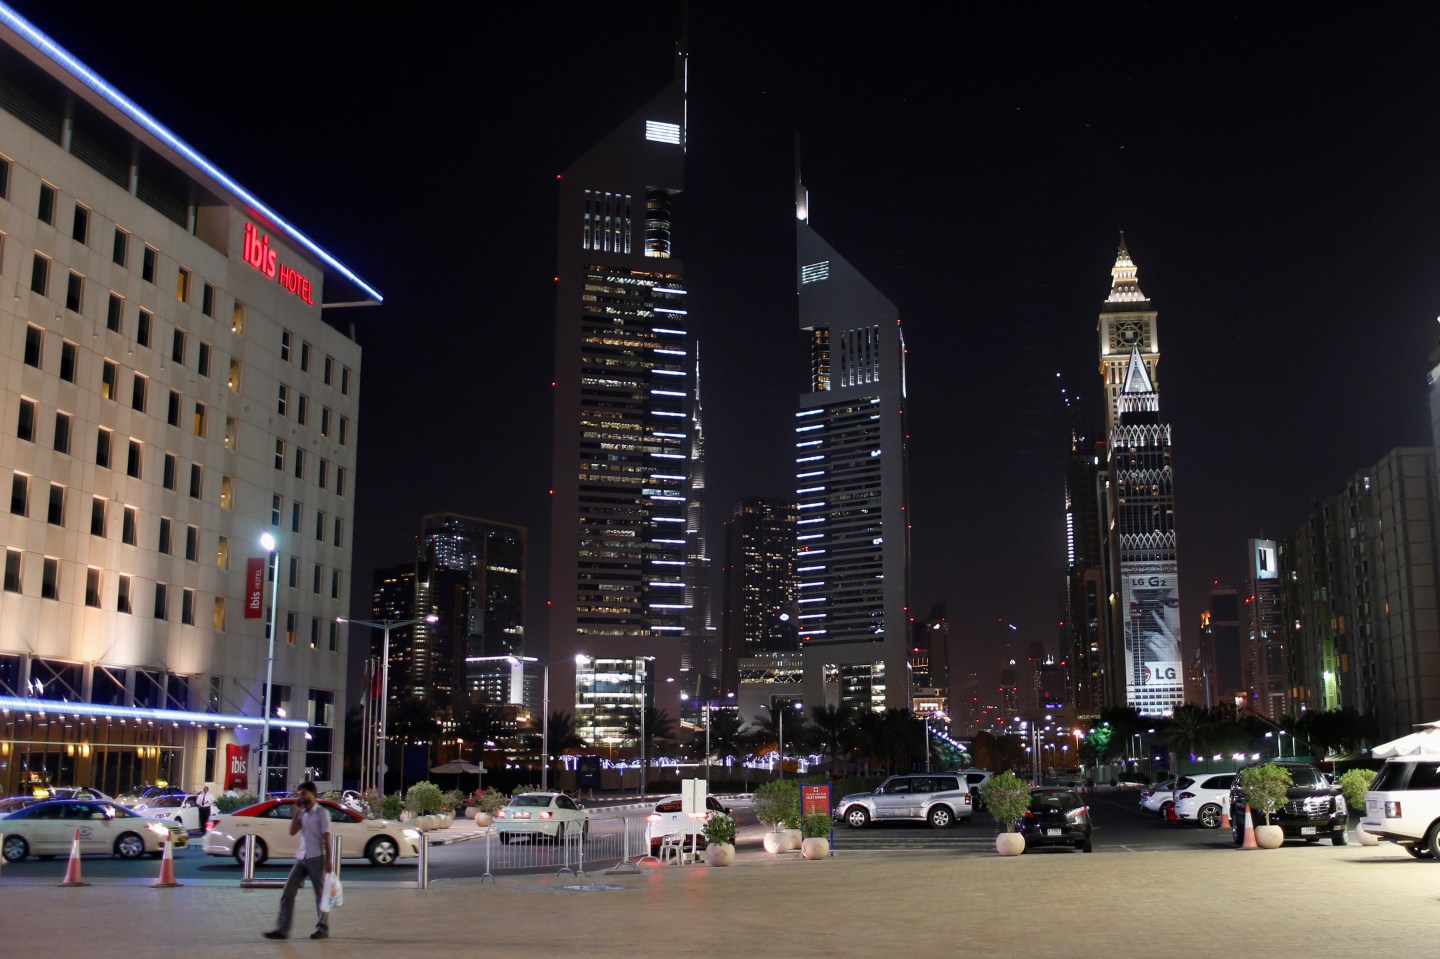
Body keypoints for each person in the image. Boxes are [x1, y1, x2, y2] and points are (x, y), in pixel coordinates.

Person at [263, 781, 332, 941]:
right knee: (288, 891)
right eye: (299, 793)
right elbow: (292, 832)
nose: (300, 796)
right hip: (302, 857)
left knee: (320, 895)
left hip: (316, 857)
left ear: (311, 793)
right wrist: (296, 812)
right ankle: (282, 929)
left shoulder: (322, 813)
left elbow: (327, 837)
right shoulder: (304, 813)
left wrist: (329, 859)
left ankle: (323, 929)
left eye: (303, 793)